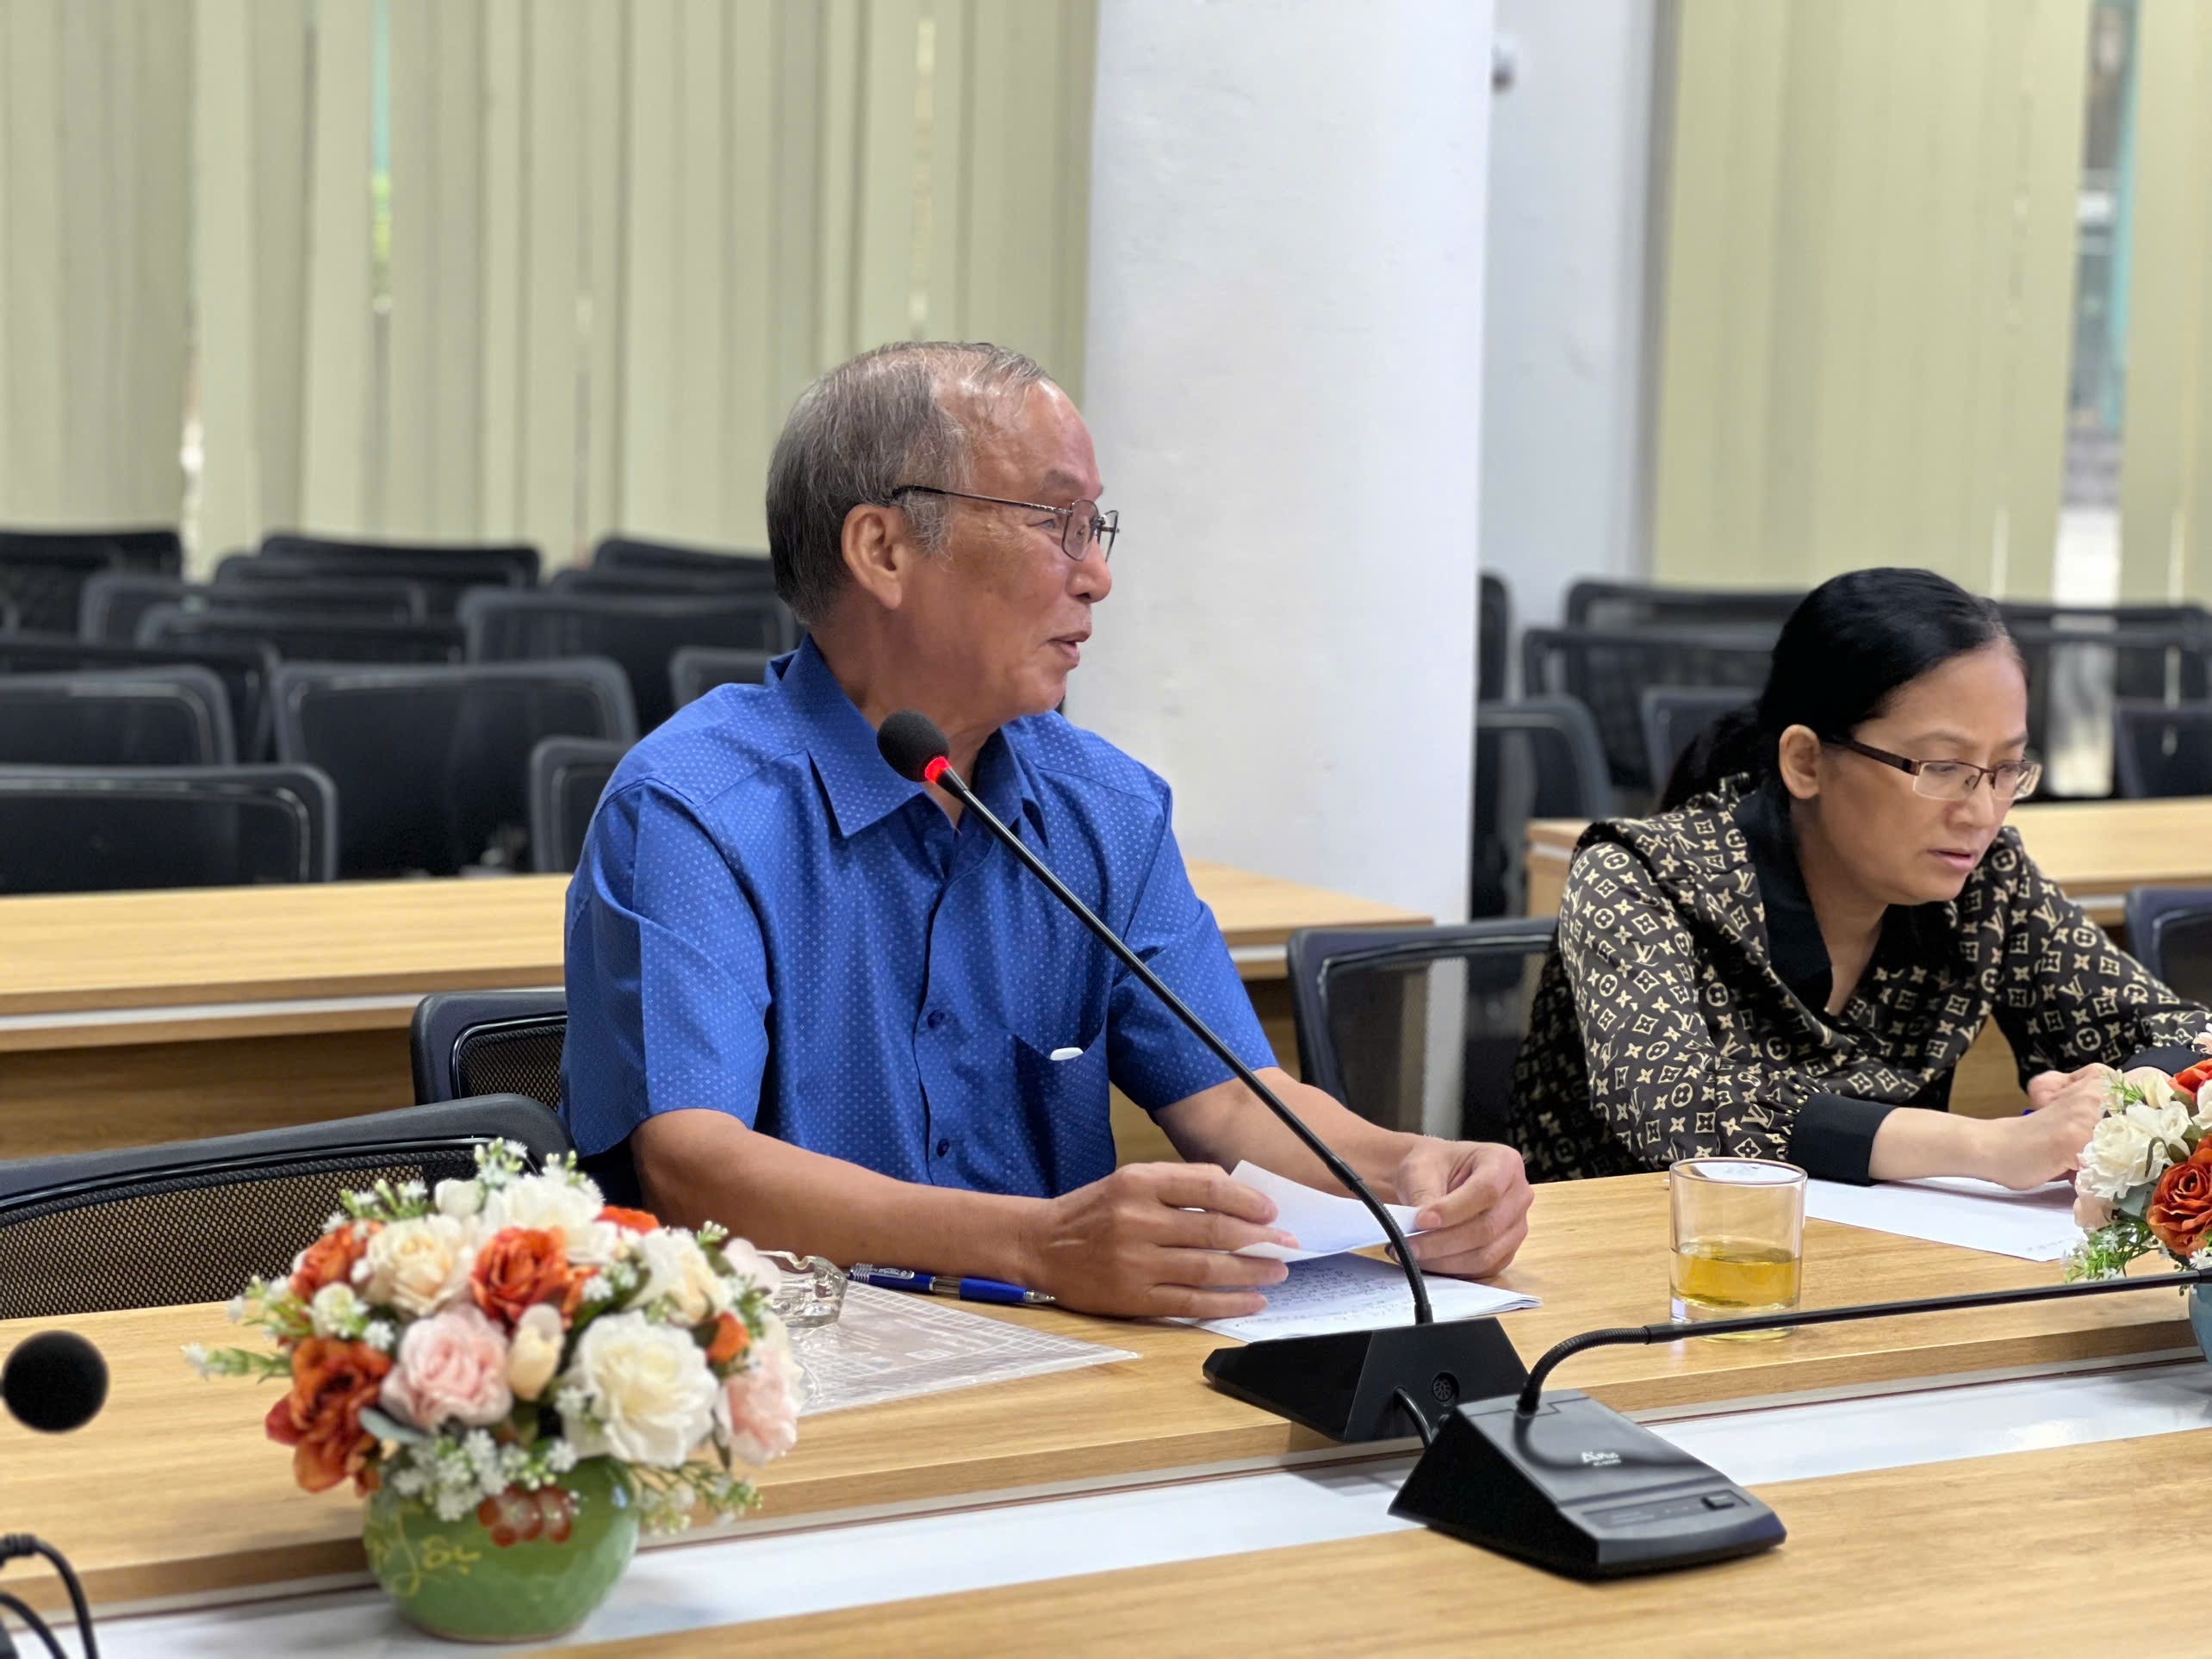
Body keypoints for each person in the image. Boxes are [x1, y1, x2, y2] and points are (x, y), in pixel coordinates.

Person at [562, 341, 1532, 1319]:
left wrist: (1411, 1171)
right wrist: (1038, 1245)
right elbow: (695, 1169)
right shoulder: (697, 807)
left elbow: (1234, 1100)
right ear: (883, 550)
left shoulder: (1103, 806)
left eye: (1095, 527)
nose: (1098, 576)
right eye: (1056, 523)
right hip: (795, 1358)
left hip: (1071, 1356)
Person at [1508, 567, 2209, 1188]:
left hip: (1878, 1257)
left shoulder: (1986, 881)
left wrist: (2122, 1092)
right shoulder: (1637, 875)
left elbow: (2189, 1033)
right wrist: (1987, 1145)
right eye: (1943, 768)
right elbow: (1675, 1109)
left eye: (2006, 770)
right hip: (1642, 1262)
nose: (1981, 812)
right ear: (1806, 761)